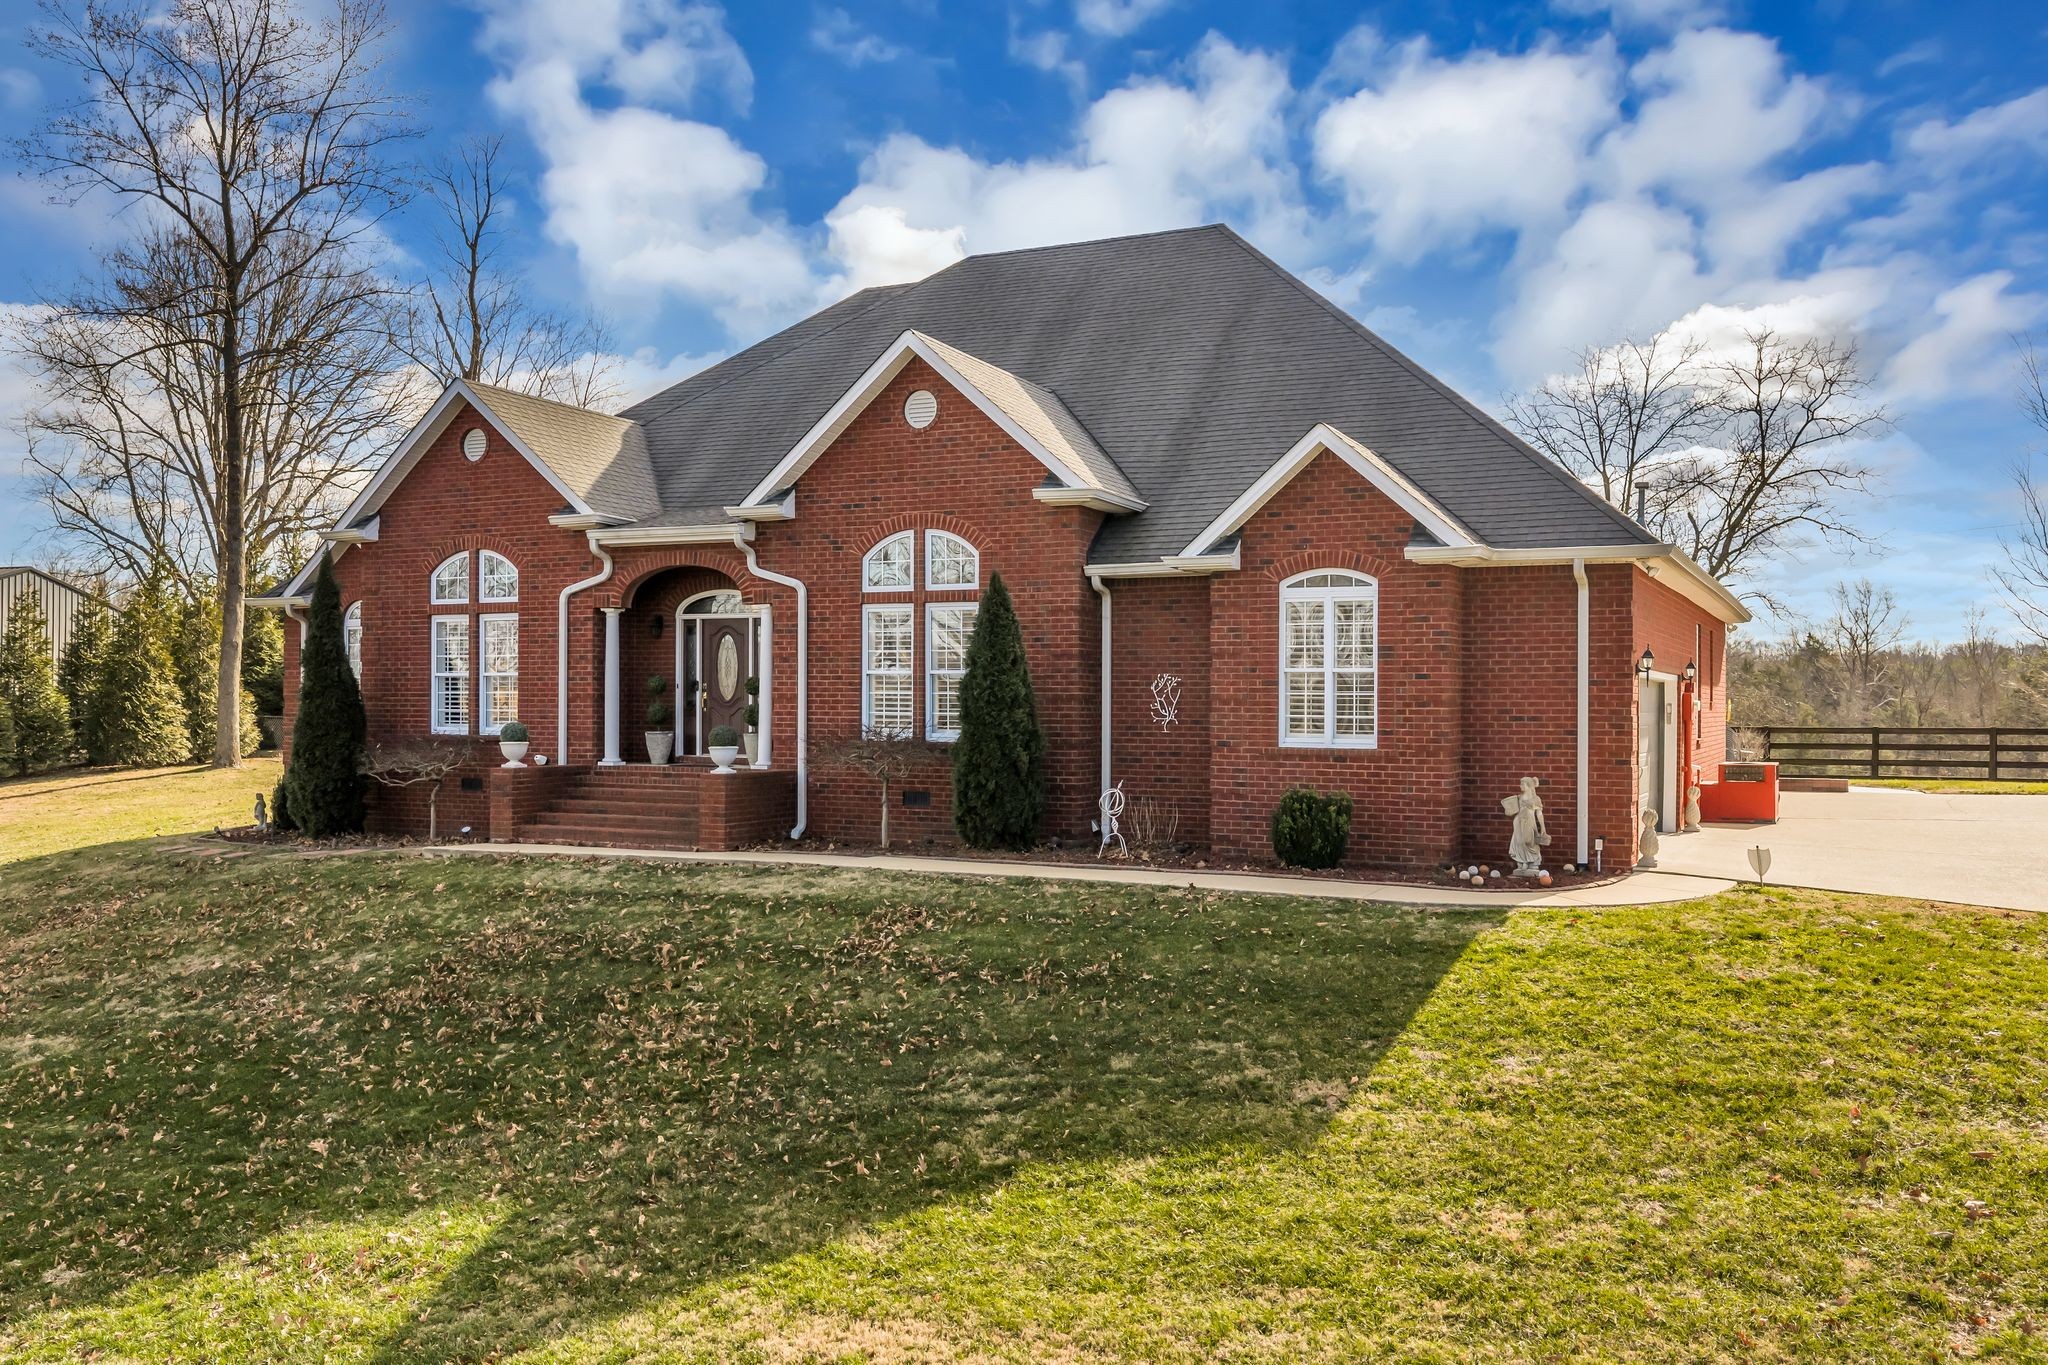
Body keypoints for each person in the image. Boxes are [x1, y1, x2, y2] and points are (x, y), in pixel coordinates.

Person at [1502, 776, 1548, 875]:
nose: (1520, 786)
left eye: (1522, 784)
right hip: (1518, 821)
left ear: (1529, 786)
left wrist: (1543, 827)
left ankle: (1534, 862)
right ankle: (1522, 862)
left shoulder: (1536, 799)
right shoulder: (1519, 797)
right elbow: (1511, 810)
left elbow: (1539, 813)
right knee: (1519, 842)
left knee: (1529, 842)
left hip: (1529, 822)